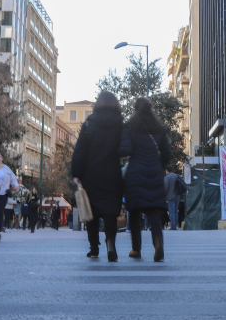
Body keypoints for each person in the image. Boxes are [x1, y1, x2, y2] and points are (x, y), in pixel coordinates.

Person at [71, 91, 125, 260]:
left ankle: (94, 248)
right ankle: (111, 244)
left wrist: (76, 173)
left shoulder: (89, 124)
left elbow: (80, 149)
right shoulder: (119, 124)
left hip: (91, 174)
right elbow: (124, 148)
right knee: (110, 212)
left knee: (91, 212)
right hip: (112, 173)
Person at [119, 97, 172, 262]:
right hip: (154, 172)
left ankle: (136, 249)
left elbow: (125, 149)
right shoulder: (159, 128)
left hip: (135, 172)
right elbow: (167, 153)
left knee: (134, 212)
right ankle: (158, 243)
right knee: (153, 210)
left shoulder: (129, 126)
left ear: (135, 109)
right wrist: (158, 166)